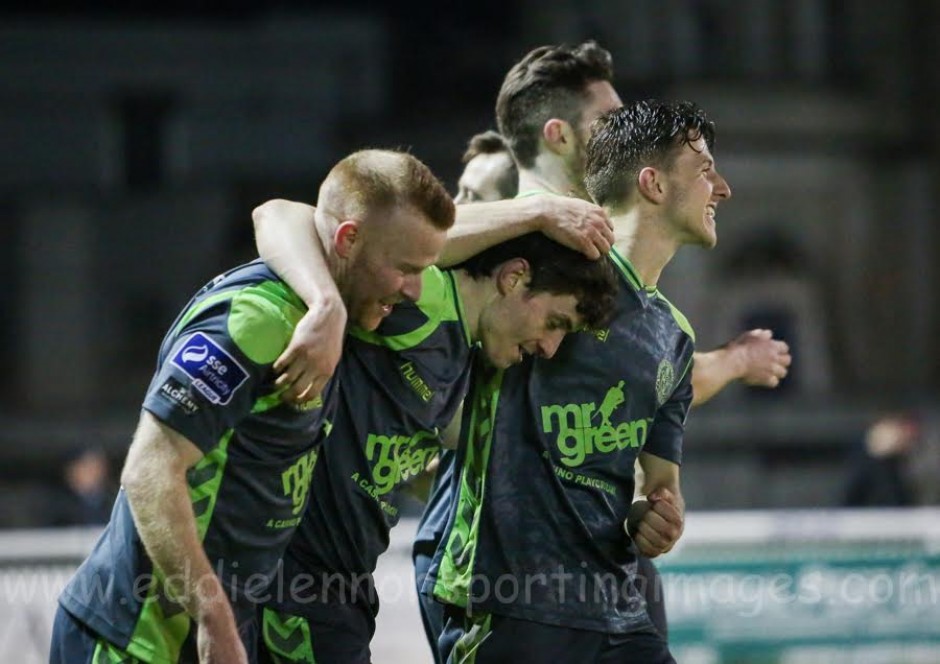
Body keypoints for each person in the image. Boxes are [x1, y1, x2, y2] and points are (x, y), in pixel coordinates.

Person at [50, 149, 455, 664]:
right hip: (132, 637)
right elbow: (149, 470)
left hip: (209, 635)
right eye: (404, 269)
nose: (415, 290)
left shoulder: (340, 315)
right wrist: (214, 619)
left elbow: (283, 213)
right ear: (348, 240)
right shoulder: (257, 320)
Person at [426, 99, 731, 663]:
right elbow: (413, 244)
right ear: (653, 184)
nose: (723, 188)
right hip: (512, 602)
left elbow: (658, 486)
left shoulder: (675, 336)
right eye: (706, 170)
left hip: (617, 607)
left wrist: (658, 517)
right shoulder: (545, 262)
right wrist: (535, 212)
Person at [257, 231, 618, 664]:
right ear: (514, 277)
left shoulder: (462, 365)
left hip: (343, 589)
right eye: (555, 322)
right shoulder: (428, 301)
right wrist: (326, 304)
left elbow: (398, 461)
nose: (549, 346)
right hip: (297, 583)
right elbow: (280, 216)